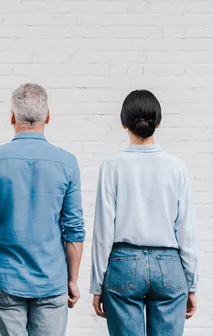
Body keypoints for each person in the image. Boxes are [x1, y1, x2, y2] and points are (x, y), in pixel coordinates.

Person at [0, 83, 85, 336]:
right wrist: (72, 279)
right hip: (51, 279)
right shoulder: (66, 162)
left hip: (4, 277)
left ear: (12, 116)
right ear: (48, 116)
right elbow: (74, 230)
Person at [90, 90, 199, 335]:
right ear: (157, 122)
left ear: (123, 123)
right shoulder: (177, 168)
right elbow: (187, 231)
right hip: (169, 267)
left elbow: (103, 231)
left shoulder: (111, 166)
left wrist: (97, 285)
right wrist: (191, 284)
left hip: (123, 264)